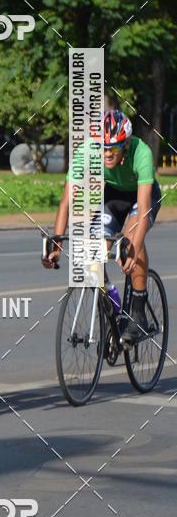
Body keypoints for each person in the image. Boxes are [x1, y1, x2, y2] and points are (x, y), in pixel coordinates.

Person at [42, 109, 162, 343]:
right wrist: (56, 241)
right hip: (113, 195)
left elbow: (144, 210)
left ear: (125, 145)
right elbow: (67, 201)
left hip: (142, 196)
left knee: (130, 238)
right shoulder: (87, 151)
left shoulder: (142, 154)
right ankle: (114, 305)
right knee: (92, 253)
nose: (107, 153)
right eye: (103, 147)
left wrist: (133, 248)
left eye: (114, 148)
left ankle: (138, 312)